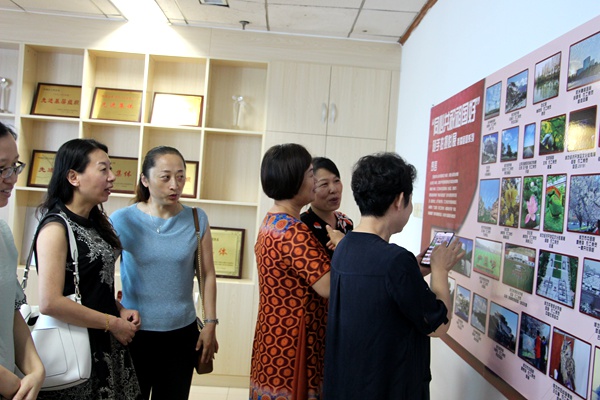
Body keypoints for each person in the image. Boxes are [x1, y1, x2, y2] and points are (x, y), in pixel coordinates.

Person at [323, 152, 464, 399]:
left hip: (348, 386)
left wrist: (414, 270)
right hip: (387, 388)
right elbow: (438, 325)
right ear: (399, 200)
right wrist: (440, 271)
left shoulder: (345, 246)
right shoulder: (395, 261)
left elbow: (379, 286)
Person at [34, 138, 142, 400]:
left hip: (107, 341)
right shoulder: (55, 228)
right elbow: (50, 302)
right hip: (77, 346)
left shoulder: (95, 222)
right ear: (73, 177)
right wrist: (112, 323)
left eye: (111, 169)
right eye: (103, 169)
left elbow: (92, 285)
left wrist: (119, 310)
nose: (112, 177)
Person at [110, 146, 218, 400]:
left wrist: (210, 322)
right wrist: (117, 309)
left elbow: (207, 275)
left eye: (180, 177)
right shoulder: (122, 220)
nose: (175, 185)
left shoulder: (196, 218)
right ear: (145, 180)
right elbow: (100, 274)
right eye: (165, 177)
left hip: (182, 334)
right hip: (134, 333)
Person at [250, 144, 337, 400]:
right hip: (294, 341)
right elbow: (328, 286)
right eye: (311, 174)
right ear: (294, 179)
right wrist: (345, 249)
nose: (315, 181)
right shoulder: (293, 231)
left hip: (273, 335)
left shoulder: (272, 221)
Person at [0, 122, 45, 400]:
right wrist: (11, 385)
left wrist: (36, 371)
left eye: (14, 166)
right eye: (1, 169)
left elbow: (12, 310)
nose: (12, 178)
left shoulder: (3, 232)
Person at [301, 157, 353, 258]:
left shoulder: (346, 222)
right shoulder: (303, 226)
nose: (333, 189)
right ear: (309, 188)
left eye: (336, 181)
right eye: (324, 184)